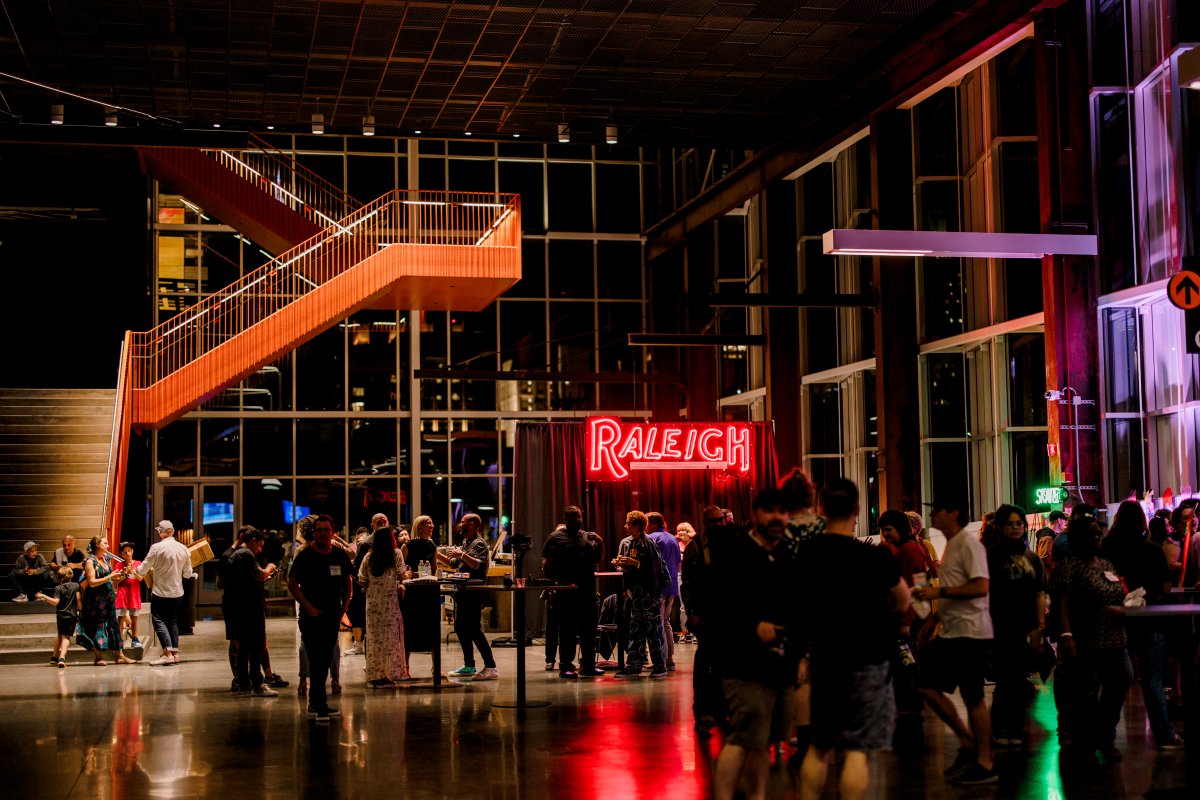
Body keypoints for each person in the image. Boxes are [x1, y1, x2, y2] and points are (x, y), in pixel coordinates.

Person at [798, 480, 909, 800]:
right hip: (868, 660)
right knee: (857, 750)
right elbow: (902, 601)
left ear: (821, 510)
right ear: (857, 511)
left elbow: (797, 605)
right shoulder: (874, 557)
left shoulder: (808, 554)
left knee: (819, 747)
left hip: (824, 659)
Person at [711, 489, 803, 800]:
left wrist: (799, 656)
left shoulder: (787, 554)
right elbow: (719, 607)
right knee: (742, 737)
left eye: (783, 511)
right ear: (757, 513)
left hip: (781, 664)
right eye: (770, 511)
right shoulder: (736, 551)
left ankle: (758, 795)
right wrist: (753, 626)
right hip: (743, 664)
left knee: (763, 741)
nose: (778, 517)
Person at [911, 499, 996, 785]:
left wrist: (938, 594)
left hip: (970, 632)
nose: (932, 514)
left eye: (937, 509)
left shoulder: (968, 545)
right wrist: (934, 621)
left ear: (954, 512)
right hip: (954, 631)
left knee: (973, 697)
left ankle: (985, 761)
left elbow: (980, 587)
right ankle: (967, 742)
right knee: (927, 685)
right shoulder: (951, 546)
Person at [1050, 515, 1134, 765]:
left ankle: (1104, 736)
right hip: (1086, 639)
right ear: (1077, 538)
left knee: (1122, 682)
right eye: (1090, 534)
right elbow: (1061, 603)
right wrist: (1066, 635)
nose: (1096, 538)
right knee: (1085, 696)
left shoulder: (1107, 564)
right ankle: (1085, 744)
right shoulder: (1070, 566)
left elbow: (1120, 592)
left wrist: (1126, 606)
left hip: (1116, 638)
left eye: (1098, 533)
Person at [1101, 501, 1182, 750]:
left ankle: (1105, 737)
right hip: (1150, 620)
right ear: (1141, 522)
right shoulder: (1153, 550)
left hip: (1117, 621)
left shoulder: (1107, 548)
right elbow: (1166, 587)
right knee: (1152, 681)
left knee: (1115, 682)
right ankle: (1165, 736)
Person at [985, 504, 1046, 746]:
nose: (1015, 528)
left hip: (1026, 625)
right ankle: (999, 729)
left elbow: (1039, 592)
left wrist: (1040, 626)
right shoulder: (990, 556)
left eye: (1019, 523)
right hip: (999, 624)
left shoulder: (1032, 558)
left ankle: (1016, 727)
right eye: (1009, 523)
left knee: (1020, 678)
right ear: (1000, 527)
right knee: (1005, 678)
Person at [288, 514, 353, 721]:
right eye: (319, 530)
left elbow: (347, 582)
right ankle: (318, 703)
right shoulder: (305, 556)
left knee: (324, 659)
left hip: (332, 616)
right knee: (315, 658)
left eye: (326, 529)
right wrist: (308, 606)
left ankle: (316, 702)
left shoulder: (339, 556)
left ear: (333, 532)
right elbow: (292, 583)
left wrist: (344, 609)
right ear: (313, 532)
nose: (323, 533)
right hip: (310, 617)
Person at [682, 505, 731, 733]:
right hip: (705, 614)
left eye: (719, 520)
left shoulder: (733, 543)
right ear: (705, 523)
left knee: (725, 663)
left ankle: (722, 707)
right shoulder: (696, 547)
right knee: (704, 662)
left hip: (728, 613)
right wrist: (691, 612)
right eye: (712, 521)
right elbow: (688, 584)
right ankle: (703, 710)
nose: (717, 525)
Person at [542, 505, 604, 678]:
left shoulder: (587, 537)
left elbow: (598, 559)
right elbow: (546, 560)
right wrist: (552, 584)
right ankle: (566, 666)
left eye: (579, 516)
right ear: (566, 519)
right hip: (566, 591)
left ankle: (588, 665)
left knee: (589, 630)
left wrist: (600, 542)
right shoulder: (555, 537)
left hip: (587, 589)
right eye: (573, 517)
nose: (577, 519)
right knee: (567, 630)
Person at [612, 510, 668, 679]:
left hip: (649, 595)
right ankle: (633, 666)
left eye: (628, 523)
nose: (625, 526)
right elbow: (625, 567)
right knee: (635, 631)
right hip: (635, 595)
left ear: (636, 526)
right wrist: (620, 564)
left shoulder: (648, 543)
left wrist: (634, 563)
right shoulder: (628, 543)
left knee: (653, 630)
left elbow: (654, 568)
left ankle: (660, 666)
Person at [227, 528, 281, 696]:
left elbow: (253, 578)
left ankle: (244, 683)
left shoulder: (237, 555)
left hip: (240, 606)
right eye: (260, 545)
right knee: (256, 646)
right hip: (250, 608)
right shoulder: (247, 554)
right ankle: (257, 683)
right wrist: (271, 567)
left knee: (244, 647)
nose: (260, 549)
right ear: (253, 541)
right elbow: (262, 574)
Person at [445, 513, 498, 680]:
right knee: (460, 629)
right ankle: (469, 665)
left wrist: (461, 554)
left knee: (474, 629)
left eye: (463, 522)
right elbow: (454, 564)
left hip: (473, 593)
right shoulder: (467, 542)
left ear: (473, 524)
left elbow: (477, 564)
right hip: (462, 592)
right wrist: (437, 554)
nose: (460, 525)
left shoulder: (479, 543)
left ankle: (491, 666)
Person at [136, 519, 195, 666]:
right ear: (173, 531)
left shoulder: (156, 548)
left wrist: (135, 569)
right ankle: (175, 654)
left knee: (159, 620)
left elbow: (142, 570)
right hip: (177, 592)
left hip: (160, 592)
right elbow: (188, 574)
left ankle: (167, 653)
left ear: (161, 532)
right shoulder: (183, 549)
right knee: (172, 621)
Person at [359, 525, 411, 687]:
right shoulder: (395, 554)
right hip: (389, 604)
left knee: (375, 640)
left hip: (373, 604)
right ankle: (388, 673)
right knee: (390, 639)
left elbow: (362, 580)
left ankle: (375, 676)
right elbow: (403, 576)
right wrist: (406, 577)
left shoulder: (368, 557)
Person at [78, 537, 135, 666]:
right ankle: (98, 657)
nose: (108, 546)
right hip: (95, 601)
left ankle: (119, 655)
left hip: (108, 598)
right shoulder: (90, 561)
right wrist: (110, 576)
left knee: (113, 625)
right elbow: (92, 582)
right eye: (105, 543)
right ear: (97, 544)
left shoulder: (106, 559)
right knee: (96, 626)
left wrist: (123, 574)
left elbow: (111, 579)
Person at [647, 511, 682, 670]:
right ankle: (670, 659)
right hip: (672, 585)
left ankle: (660, 660)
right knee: (666, 621)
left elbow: (651, 563)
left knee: (658, 623)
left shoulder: (652, 538)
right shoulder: (673, 538)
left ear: (653, 523)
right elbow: (678, 562)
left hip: (659, 585)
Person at [35, 566, 81, 667]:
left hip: (60, 615)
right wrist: (81, 611)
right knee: (66, 637)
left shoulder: (58, 588)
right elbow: (78, 599)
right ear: (71, 576)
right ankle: (62, 658)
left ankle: (54, 657)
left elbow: (56, 602)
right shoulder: (76, 586)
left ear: (59, 578)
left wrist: (44, 596)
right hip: (72, 615)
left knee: (60, 634)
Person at [345, 526, 372, 656]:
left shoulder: (371, 556)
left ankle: (367, 644)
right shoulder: (355, 556)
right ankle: (358, 645)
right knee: (356, 616)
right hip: (357, 589)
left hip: (369, 589)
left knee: (367, 617)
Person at [114, 542, 143, 648]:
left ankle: (135, 639)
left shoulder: (139, 563)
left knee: (134, 617)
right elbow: (117, 581)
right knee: (120, 617)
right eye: (125, 552)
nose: (128, 554)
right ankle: (119, 639)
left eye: (129, 551)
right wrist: (125, 573)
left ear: (132, 551)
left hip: (134, 593)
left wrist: (134, 572)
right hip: (123, 593)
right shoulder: (119, 565)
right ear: (121, 554)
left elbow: (141, 579)